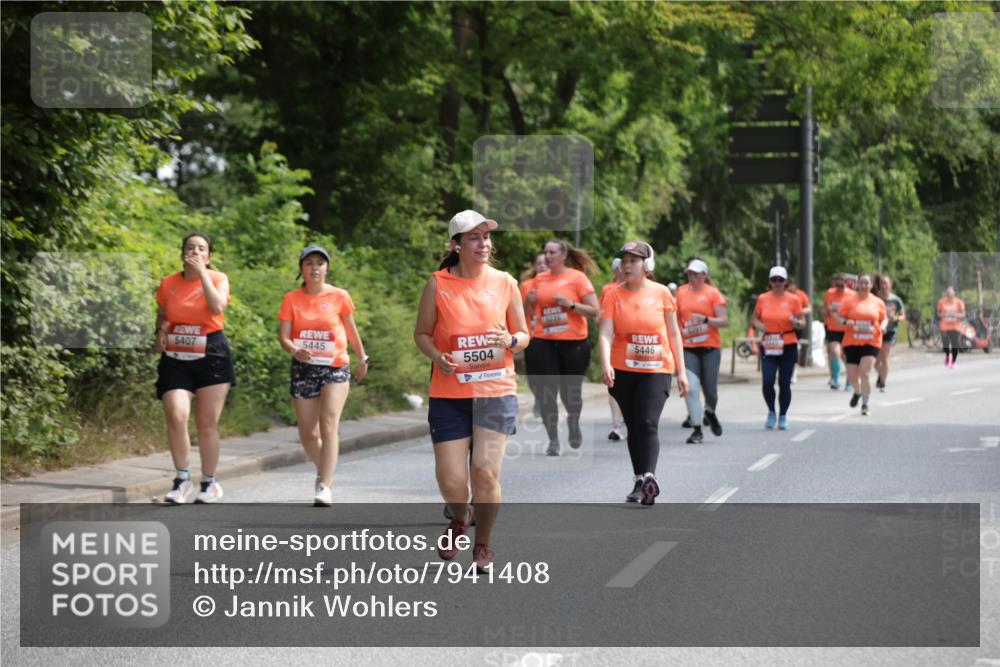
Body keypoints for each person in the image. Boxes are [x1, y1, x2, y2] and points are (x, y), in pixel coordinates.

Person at [414, 210, 529, 572]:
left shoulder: (505, 282)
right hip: (449, 393)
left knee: (485, 472)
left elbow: (524, 335)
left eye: (487, 237)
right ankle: (460, 518)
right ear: (456, 244)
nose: (484, 244)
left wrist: (509, 340)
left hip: (496, 391)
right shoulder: (438, 284)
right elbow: (422, 334)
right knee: (451, 480)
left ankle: (483, 546)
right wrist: (438, 356)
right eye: (475, 238)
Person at [278, 245, 368, 506]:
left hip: (335, 366)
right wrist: (295, 349)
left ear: (327, 268)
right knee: (308, 432)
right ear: (301, 269)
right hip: (304, 367)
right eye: (309, 263)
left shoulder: (339, 296)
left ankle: (324, 485)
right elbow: (284, 336)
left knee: (328, 423)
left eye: (320, 263)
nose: (315, 268)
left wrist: (362, 357)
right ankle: (325, 469)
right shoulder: (291, 299)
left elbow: (351, 330)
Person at [599, 241, 688, 505]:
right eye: (624, 261)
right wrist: (605, 364)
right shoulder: (613, 295)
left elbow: (673, 333)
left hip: (657, 369)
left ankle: (650, 477)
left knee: (648, 423)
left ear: (647, 265)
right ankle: (639, 479)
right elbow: (605, 333)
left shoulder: (662, 294)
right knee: (634, 425)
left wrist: (681, 372)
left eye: (633, 261)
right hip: (623, 370)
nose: (627, 266)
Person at [154, 232, 235, 504]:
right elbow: (164, 315)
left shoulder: (217, 278)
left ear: (208, 256)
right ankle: (181, 479)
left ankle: (210, 482)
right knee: (176, 414)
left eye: (201, 249)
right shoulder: (169, 283)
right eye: (190, 248)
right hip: (177, 352)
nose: (195, 252)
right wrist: (162, 331)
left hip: (212, 350)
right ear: (182, 254)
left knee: (206, 423)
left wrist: (203, 275)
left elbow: (217, 307)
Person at [531, 239, 600, 456]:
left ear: (563, 255)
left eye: (552, 252)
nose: (547, 256)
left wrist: (570, 305)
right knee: (545, 393)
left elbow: (594, 310)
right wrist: (528, 302)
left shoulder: (577, 278)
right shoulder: (539, 279)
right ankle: (553, 439)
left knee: (570, 394)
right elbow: (530, 308)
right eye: (545, 252)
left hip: (574, 343)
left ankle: (573, 421)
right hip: (544, 340)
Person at [676, 258, 728, 444]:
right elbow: (675, 319)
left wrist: (705, 320)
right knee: (691, 388)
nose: (692, 277)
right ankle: (697, 429)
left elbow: (724, 320)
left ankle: (710, 412)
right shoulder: (681, 292)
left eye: (696, 274)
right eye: (690, 273)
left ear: (704, 275)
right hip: (689, 349)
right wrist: (677, 334)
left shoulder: (712, 294)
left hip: (710, 348)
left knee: (711, 391)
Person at [752, 266, 803, 430]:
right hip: (769, 343)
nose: (777, 283)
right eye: (774, 280)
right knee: (767, 381)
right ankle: (771, 411)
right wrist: (761, 326)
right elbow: (754, 320)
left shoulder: (794, 299)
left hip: (788, 343)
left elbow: (802, 322)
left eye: (780, 280)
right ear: (770, 282)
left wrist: (797, 323)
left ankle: (783, 415)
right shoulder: (763, 298)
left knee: (784, 383)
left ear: (785, 282)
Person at [840, 274, 887, 416]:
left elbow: (884, 319)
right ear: (857, 284)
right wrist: (845, 322)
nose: (864, 285)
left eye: (867, 283)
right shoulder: (848, 301)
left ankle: (865, 404)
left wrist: (883, 326)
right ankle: (857, 391)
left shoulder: (878, 302)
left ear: (871, 285)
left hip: (871, 340)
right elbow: (839, 317)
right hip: (852, 341)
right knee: (852, 377)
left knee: (865, 373)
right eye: (862, 283)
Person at [520, 253, 548, 418]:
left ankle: (545, 400)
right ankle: (539, 396)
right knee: (532, 375)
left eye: (546, 263)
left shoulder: (558, 283)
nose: (543, 265)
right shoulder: (526, 286)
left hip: (552, 337)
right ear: (535, 266)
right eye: (539, 263)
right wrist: (528, 301)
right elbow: (519, 313)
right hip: (532, 336)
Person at [601, 259, 626, 441]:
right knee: (614, 387)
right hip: (614, 345)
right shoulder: (608, 290)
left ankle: (630, 419)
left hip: (634, 348)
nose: (623, 269)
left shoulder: (644, 289)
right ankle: (616, 426)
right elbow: (601, 317)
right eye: (620, 266)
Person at [823, 273, 855, 391]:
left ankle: (850, 380)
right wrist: (828, 310)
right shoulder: (829, 293)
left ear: (846, 283)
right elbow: (825, 310)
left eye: (842, 285)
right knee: (834, 352)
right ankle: (835, 379)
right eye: (837, 284)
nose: (839, 287)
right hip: (833, 328)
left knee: (846, 356)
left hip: (847, 329)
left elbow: (855, 312)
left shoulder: (851, 295)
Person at [872, 274, 904, 391]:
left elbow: (902, 315)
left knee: (884, 357)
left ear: (890, 285)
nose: (884, 286)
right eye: (882, 283)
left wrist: (895, 318)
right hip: (877, 331)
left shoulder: (895, 300)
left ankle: (882, 383)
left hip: (890, 331)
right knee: (875, 361)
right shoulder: (875, 298)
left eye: (886, 283)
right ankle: (881, 375)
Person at [786, 278, 812, 385]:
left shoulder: (801, 295)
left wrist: (800, 311)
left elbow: (809, 308)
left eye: (792, 286)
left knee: (794, 348)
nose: (791, 288)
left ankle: (793, 372)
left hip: (797, 324)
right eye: (789, 286)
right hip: (784, 324)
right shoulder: (783, 295)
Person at [937, 286, 966, 368]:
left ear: (954, 293)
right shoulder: (941, 302)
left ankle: (953, 362)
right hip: (944, 326)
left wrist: (957, 315)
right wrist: (942, 314)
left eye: (951, 293)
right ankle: (947, 355)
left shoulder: (959, 302)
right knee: (945, 344)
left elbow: (963, 314)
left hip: (955, 326)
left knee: (954, 344)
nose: (949, 294)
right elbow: (938, 313)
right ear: (946, 293)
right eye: (948, 293)